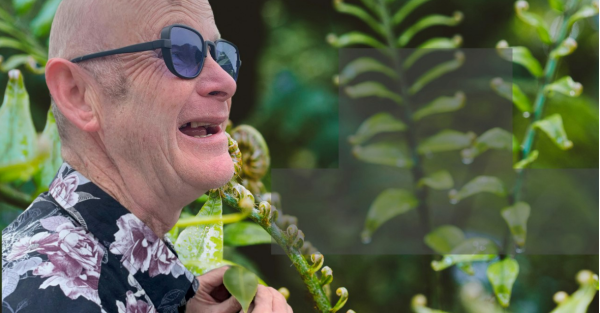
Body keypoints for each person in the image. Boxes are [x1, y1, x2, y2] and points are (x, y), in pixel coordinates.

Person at [1, 0, 292, 312]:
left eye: (221, 56)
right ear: (78, 94)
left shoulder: (112, 275)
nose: (226, 83)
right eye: (181, 52)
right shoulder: (47, 293)